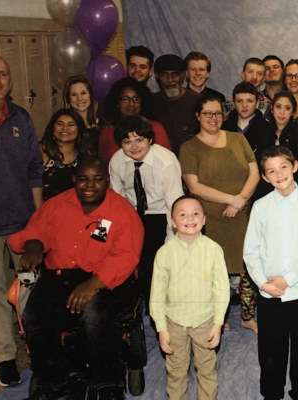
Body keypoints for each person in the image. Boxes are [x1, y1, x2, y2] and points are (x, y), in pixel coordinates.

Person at [8, 156, 144, 400]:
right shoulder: (57, 205)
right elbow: (36, 230)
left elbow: (126, 255)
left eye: (97, 179)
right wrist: (34, 245)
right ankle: (53, 382)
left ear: (107, 181)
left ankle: (107, 383)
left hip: (106, 278)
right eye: (83, 179)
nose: (90, 185)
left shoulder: (121, 211)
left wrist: (94, 283)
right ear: (74, 180)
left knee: (94, 311)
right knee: (35, 312)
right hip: (61, 276)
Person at [0, 55, 43, 387]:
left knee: (31, 286)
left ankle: (37, 346)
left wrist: (38, 222)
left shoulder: (22, 118)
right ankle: (5, 359)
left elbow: (35, 171)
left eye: (3, 74)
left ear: (11, 82)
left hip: (22, 222)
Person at [244, 146, 298, 400]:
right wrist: (263, 283)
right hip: (269, 292)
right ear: (265, 177)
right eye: (271, 171)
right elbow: (251, 252)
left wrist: (288, 280)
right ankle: (271, 392)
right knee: (270, 346)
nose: (279, 174)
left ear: (295, 166)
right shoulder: (260, 207)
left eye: (283, 167)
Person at [180, 93, 260, 333]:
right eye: (208, 113)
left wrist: (240, 201)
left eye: (217, 113)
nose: (214, 118)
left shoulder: (238, 139)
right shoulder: (189, 147)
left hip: (242, 216)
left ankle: (247, 316)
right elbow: (194, 187)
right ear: (198, 116)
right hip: (209, 220)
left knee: (247, 268)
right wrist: (232, 199)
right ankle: (219, 318)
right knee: (215, 270)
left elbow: (254, 173)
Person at [150, 195, 229, 400]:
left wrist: (217, 323)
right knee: (176, 371)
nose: (190, 219)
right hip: (174, 323)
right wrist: (161, 328)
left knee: (207, 369)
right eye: (182, 215)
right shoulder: (164, 253)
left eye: (195, 214)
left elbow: (222, 289)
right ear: (173, 222)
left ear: (204, 220)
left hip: (205, 321)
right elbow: (157, 294)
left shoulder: (214, 250)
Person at [109, 114, 184, 303]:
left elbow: (174, 206)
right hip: (131, 213)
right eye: (127, 142)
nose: (134, 147)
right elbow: (116, 203)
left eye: (139, 140)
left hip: (160, 213)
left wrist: (171, 243)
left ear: (150, 139)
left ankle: (158, 302)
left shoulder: (165, 162)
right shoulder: (117, 161)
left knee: (155, 261)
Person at [98, 77, 172, 164]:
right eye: (125, 99)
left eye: (136, 99)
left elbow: (167, 160)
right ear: (117, 102)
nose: (131, 104)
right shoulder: (107, 132)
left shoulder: (155, 128)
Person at [40, 108, 95, 201]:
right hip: (46, 210)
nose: (65, 128)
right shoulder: (41, 151)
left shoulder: (85, 155)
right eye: (59, 124)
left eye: (71, 125)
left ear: (79, 129)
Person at [152, 54, 200, 155]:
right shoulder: (151, 102)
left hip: (191, 160)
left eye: (175, 74)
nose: (170, 79)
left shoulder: (197, 101)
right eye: (164, 75)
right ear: (157, 76)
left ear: (183, 75)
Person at [221, 82, 273, 164]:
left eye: (249, 101)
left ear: (257, 104)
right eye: (239, 101)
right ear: (234, 103)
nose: (244, 105)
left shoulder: (268, 130)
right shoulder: (224, 128)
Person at [63, 75, 101, 152]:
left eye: (83, 93)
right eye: (74, 95)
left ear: (90, 95)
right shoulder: (64, 127)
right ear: (68, 99)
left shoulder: (103, 125)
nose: (79, 98)